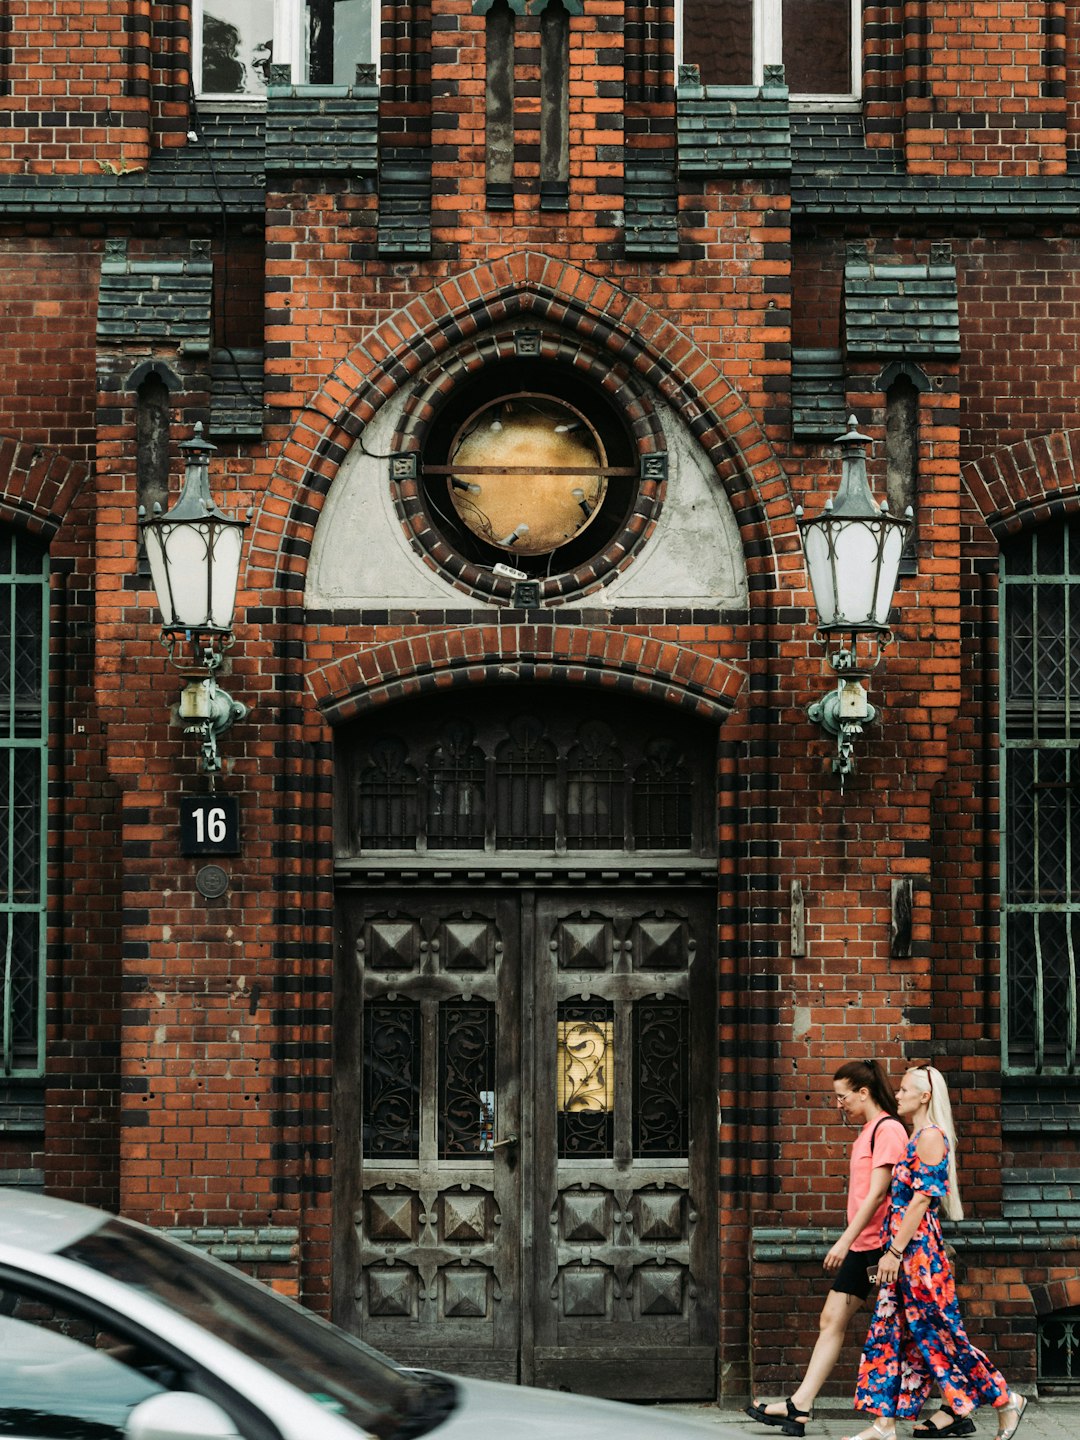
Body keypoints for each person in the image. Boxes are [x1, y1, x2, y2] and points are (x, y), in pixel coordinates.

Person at [843, 1065, 1028, 1440]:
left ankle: (1006, 1400)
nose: (897, 1095)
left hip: (918, 1256)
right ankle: (884, 1425)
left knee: (941, 1336)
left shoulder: (930, 1137)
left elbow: (921, 1201)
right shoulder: (916, 1136)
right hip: (904, 1252)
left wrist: (893, 1252)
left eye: (904, 1090)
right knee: (888, 1333)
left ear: (924, 1096)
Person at [747, 1059, 908, 1439]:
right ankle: (800, 1406)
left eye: (842, 1096)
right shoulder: (869, 1131)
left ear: (863, 1092)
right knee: (830, 1318)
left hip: (882, 1248)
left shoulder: (888, 1130)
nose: (839, 1104)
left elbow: (878, 1194)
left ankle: (963, 1404)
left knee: (918, 1330)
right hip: (864, 1245)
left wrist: (843, 1240)